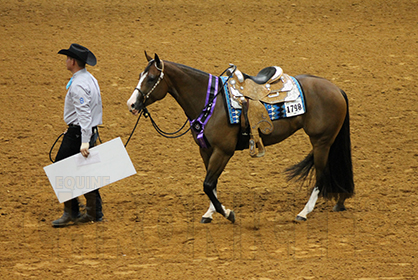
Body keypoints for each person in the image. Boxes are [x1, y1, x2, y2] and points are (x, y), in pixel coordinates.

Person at [52, 43, 104, 227]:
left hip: (79, 131)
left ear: (73, 61)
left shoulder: (78, 85)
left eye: (67, 58)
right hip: (87, 130)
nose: (66, 61)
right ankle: (94, 211)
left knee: (60, 167)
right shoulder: (90, 79)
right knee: (87, 169)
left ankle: (71, 211)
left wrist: (84, 141)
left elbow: (84, 115)